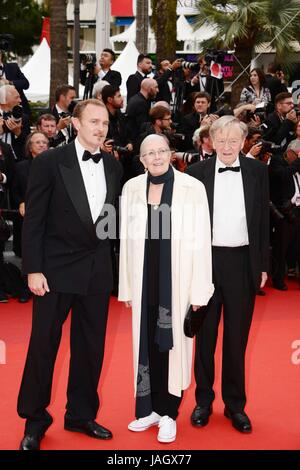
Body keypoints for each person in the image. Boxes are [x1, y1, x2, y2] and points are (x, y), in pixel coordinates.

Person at [17, 99, 122, 450]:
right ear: (75, 124)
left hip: (96, 270)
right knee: (43, 346)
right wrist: (33, 268)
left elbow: (108, 220)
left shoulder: (111, 165)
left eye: (104, 123)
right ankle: (35, 419)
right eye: (93, 122)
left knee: (90, 347)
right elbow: (33, 220)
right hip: (55, 269)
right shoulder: (49, 161)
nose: (100, 128)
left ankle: (80, 414)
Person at [118, 134, 214, 443]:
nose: (157, 157)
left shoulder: (192, 188)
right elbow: (125, 241)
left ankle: (170, 413)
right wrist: (127, 288)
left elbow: (202, 242)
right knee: (147, 343)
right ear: (142, 159)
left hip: (179, 280)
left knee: (172, 347)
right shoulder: (131, 188)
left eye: (162, 151)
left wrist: (200, 292)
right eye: (150, 153)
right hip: (144, 279)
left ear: (171, 153)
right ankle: (151, 410)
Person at [186, 116, 269, 433]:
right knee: (204, 339)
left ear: (243, 141)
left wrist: (262, 264)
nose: (227, 147)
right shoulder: (195, 174)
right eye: (221, 140)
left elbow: (262, 221)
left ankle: (235, 406)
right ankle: (203, 402)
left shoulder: (258, 172)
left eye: (233, 141)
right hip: (206, 263)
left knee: (237, 340)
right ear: (211, 140)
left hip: (242, 263)